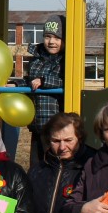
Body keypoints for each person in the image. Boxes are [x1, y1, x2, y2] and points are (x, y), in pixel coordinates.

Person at [27, 14, 65, 167]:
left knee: (54, 163)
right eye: (48, 37)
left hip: (56, 125)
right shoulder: (36, 59)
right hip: (37, 123)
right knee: (36, 165)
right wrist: (16, 85)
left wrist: (44, 81)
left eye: (57, 38)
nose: (51, 42)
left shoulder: (66, 61)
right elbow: (30, 81)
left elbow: (67, 82)